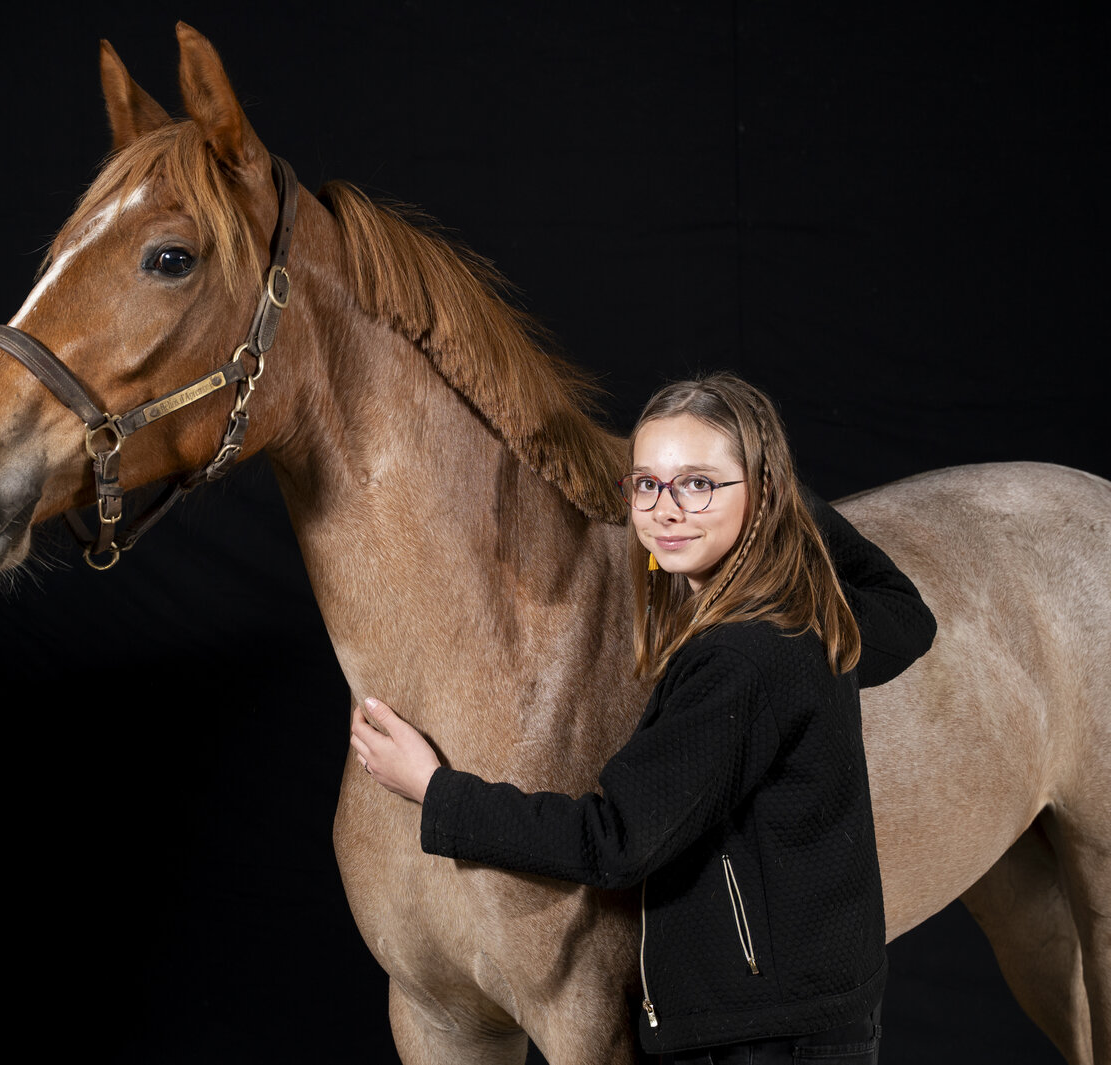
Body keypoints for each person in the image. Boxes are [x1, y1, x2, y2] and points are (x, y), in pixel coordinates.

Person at [350, 373, 936, 1064]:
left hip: (756, 1039)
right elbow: (907, 613)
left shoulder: (741, 659)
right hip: (802, 1020)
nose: (666, 510)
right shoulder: (809, 616)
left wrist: (434, 788)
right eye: (647, 484)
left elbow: (614, 841)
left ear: (763, 492)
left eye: (698, 484)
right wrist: (776, 496)